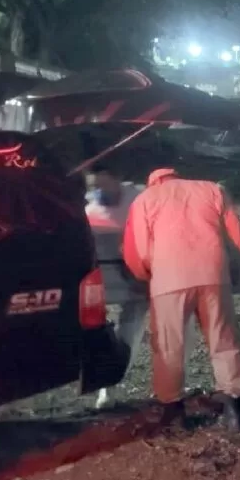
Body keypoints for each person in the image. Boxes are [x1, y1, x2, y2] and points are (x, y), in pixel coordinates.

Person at [122, 168, 240, 430]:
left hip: (168, 280)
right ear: (177, 176)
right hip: (213, 275)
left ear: (152, 182)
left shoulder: (145, 200)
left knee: (169, 346)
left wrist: (145, 275)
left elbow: (137, 251)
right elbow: (239, 237)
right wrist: (235, 271)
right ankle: (234, 409)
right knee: (224, 340)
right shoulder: (212, 189)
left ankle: (174, 412)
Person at [84, 163, 149, 410]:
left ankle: (111, 384)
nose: (97, 190)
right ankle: (102, 384)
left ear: (116, 178)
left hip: (140, 276)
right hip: (102, 281)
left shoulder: (139, 198)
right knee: (99, 334)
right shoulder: (89, 206)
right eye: (93, 186)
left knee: (130, 330)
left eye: (101, 184)